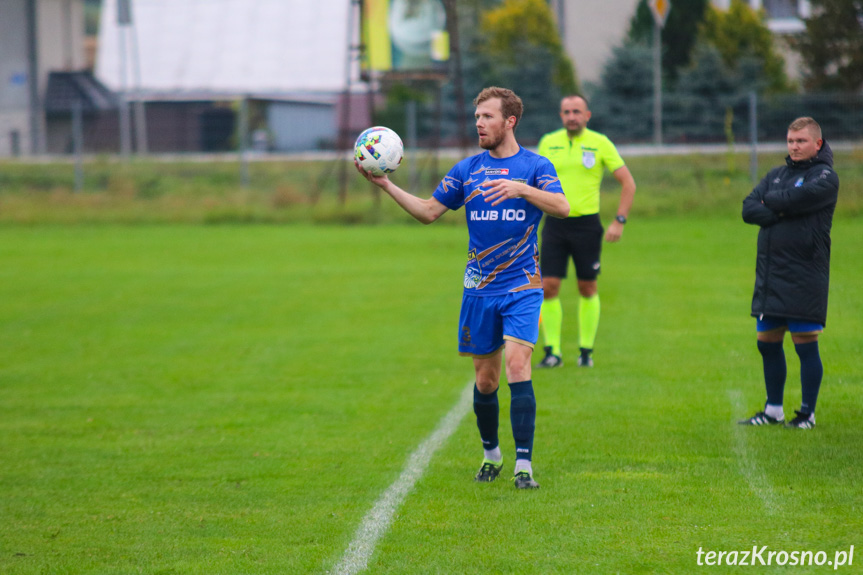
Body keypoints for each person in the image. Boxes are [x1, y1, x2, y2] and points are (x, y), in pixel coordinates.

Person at [356, 87, 569, 488]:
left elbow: (562, 207)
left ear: (510, 121)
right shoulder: (467, 170)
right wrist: (386, 187)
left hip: (523, 285)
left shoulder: (536, 167)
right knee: (485, 380)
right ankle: (492, 455)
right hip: (479, 290)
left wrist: (522, 189)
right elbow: (428, 212)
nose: (479, 124)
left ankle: (524, 465)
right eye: (477, 118)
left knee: (518, 366)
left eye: (487, 117)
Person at [739, 117, 839, 430]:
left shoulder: (825, 177)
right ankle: (773, 410)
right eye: (791, 141)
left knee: (805, 343)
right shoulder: (777, 175)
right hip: (771, 274)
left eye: (801, 141)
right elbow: (748, 208)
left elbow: (798, 199)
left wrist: (772, 203)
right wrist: (780, 206)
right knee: (767, 342)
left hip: (805, 272)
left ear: (817, 144)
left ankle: (806, 414)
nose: (794, 147)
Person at [534, 94, 636, 368]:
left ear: (587, 115)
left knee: (587, 286)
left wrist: (619, 220)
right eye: (566, 111)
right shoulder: (548, 142)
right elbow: (532, 183)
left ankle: (586, 351)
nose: (571, 116)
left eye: (577, 111)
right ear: (561, 115)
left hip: (587, 226)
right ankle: (552, 351)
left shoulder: (600, 143)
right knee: (548, 287)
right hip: (554, 225)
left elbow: (628, 183)